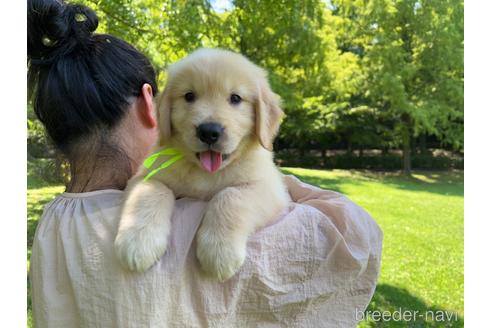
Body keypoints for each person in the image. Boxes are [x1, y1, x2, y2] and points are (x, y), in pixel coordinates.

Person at [28, 0, 383, 327]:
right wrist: (149, 205)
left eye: (234, 99)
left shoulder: (51, 228)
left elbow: (263, 189)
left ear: (264, 116)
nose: (209, 121)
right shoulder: (161, 169)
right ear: (157, 105)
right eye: (189, 96)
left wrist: (230, 210)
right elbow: (354, 237)